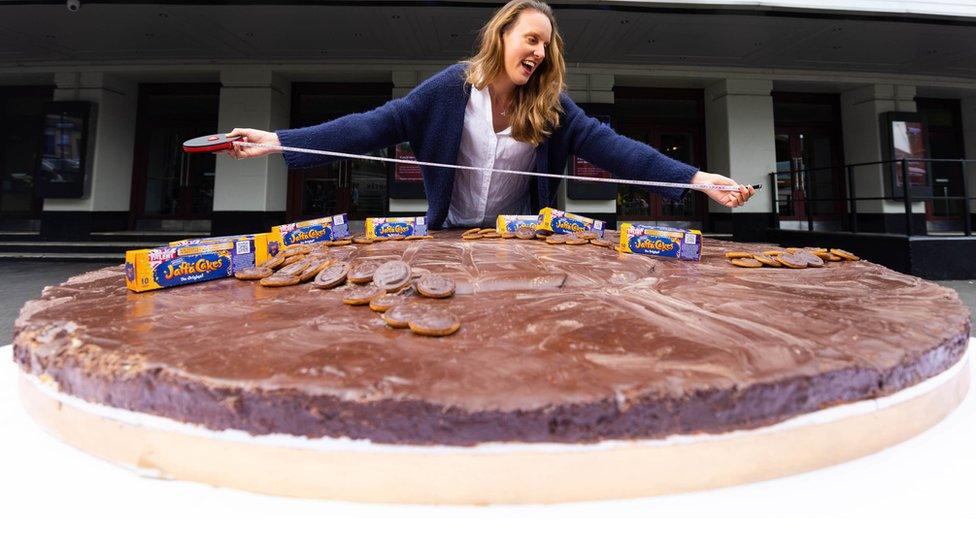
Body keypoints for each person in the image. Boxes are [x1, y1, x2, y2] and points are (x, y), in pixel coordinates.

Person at [224, 0, 755, 228]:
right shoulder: (445, 91)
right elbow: (371, 126)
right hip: (447, 238)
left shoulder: (552, 108)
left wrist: (696, 179)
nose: (540, 53)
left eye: (546, 46)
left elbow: (616, 150)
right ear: (501, 36)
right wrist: (278, 140)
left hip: (519, 240)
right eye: (531, 39)